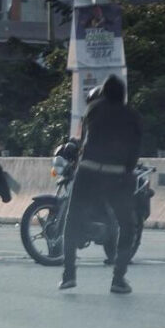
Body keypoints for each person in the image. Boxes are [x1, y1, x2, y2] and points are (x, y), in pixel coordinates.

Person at [59, 74, 141, 294]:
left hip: (88, 171)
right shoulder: (131, 115)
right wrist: (127, 172)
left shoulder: (92, 109)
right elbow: (134, 150)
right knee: (127, 225)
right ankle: (118, 278)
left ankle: (68, 275)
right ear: (123, 95)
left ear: (104, 93)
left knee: (71, 220)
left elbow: (83, 140)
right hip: (116, 176)